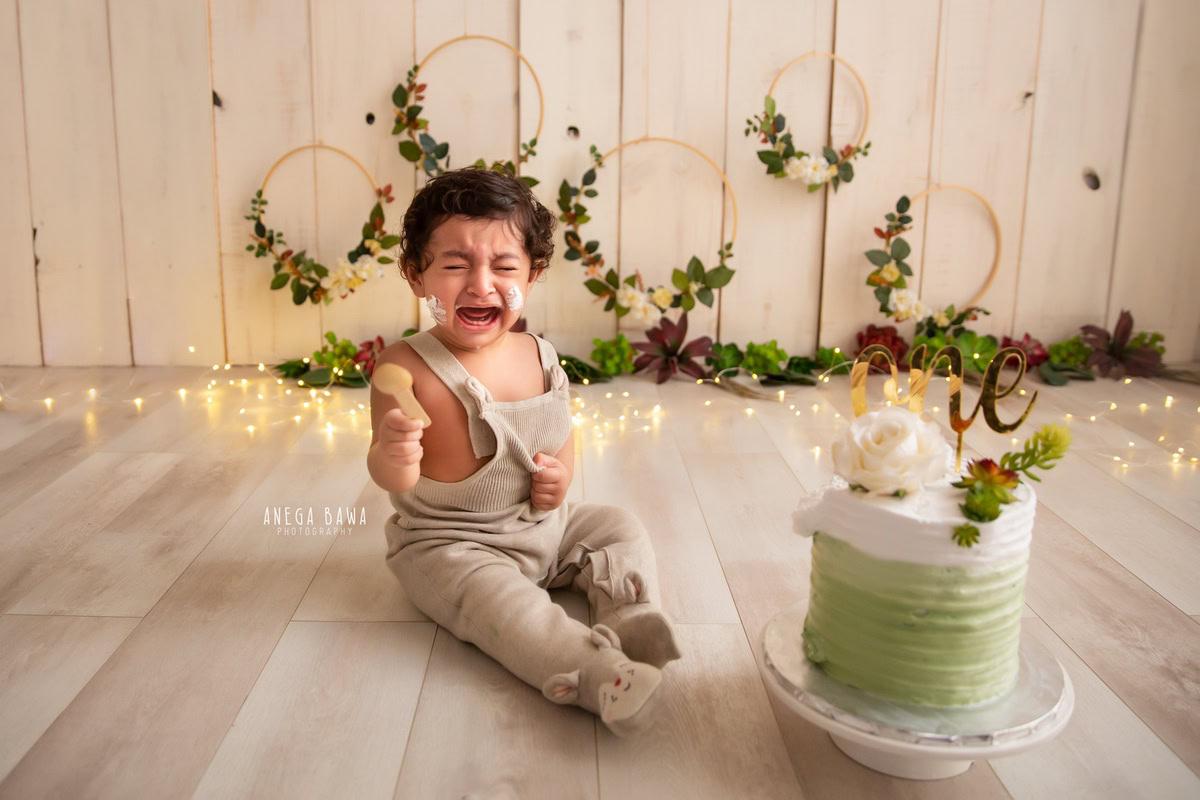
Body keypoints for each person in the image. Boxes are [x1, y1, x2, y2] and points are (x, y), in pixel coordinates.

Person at [367, 168, 682, 738]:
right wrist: (393, 452)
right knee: (508, 611)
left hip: (541, 525)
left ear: (533, 275)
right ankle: (596, 672)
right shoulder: (406, 368)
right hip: (454, 547)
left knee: (617, 526)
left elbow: (559, 434)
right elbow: (392, 474)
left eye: (504, 267)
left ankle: (632, 618)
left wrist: (559, 477)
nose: (481, 285)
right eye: (455, 265)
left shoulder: (539, 353)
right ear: (416, 275)